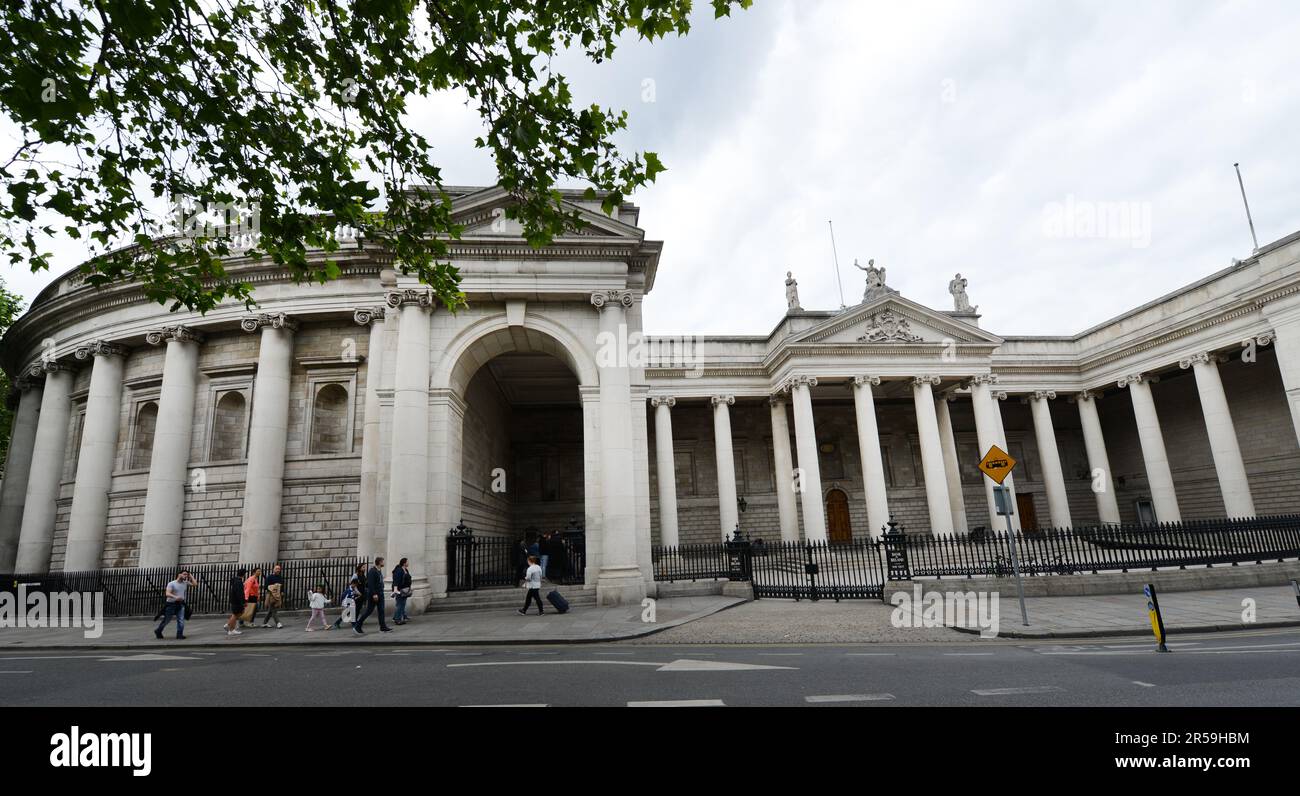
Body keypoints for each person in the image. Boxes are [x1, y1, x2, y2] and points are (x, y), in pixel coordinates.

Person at [353, 557, 391, 634]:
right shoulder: (372, 571)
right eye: (383, 561)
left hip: (380, 593)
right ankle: (357, 626)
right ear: (379, 562)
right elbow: (371, 584)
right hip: (374, 594)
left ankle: (383, 627)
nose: (384, 563)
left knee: (381, 611)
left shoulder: (378, 570)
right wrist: (374, 594)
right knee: (368, 611)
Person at [154, 569, 195, 640]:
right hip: (171, 604)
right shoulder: (172, 583)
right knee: (167, 620)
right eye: (184, 574)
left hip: (180, 604)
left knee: (181, 620)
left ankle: (179, 635)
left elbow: (195, 584)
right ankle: (158, 631)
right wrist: (176, 597)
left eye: (187, 575)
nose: (186, 576)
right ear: (179, 574)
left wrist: (191, 576)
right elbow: (167, 593)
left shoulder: (185, 583)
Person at [333, 564, 367, 630]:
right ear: (359, 568)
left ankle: (354, 621)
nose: (364, 568)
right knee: (351, 610)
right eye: (363, 567)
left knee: (357, 609)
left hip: (361, 594)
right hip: (356, 594)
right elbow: (353, 585)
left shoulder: (363, 575)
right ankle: (338, 622)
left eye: (365, 567)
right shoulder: (355, 575)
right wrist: (358, 593)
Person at [261, 563, 285, 628]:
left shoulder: (280, 577)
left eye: (279, 569)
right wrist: (275, 586)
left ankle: (264, 623)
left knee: (271, 610)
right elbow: (266, 587)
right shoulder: (269, 577)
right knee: (273, 609)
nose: (278, 570)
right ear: (273, 570)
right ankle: (278, 623)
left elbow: (282, 585)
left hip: (278, 595)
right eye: (276, 569)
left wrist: (282, 591)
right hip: (271, 595)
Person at [225, 568, 247, 636]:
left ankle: (228, 625)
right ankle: (231, 630)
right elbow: (239, 593)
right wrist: (243, 601)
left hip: (235, 600)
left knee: (239, 613)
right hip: (237, 601)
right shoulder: (238, 582)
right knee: (235, 614)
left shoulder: (236, 580)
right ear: (244, 574)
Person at [391, 558, 413, 625]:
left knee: (402, 604)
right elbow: (396, 580)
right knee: (400, 604)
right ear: (404, 563)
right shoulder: (399, 570)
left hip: (405, 589)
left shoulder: (405, 569)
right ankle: (397, 619)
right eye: (407, 562)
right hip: (400, 590)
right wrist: (395, 590)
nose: (408, 563)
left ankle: (397, 617)